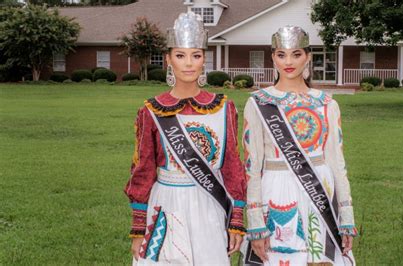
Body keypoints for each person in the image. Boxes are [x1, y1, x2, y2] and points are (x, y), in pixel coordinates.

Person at [124, 12, 246, 265]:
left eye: (196, 55)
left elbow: (232, 165)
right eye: (180, 55)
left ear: (204, 59)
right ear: (169, 60)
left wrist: (236, 219)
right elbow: (143, 169)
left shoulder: (224, 108)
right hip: (167, 204)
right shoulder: (152, 110)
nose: (189, 63)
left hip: (209, 203)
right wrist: (138, 227)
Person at [243, 26, 357, 266]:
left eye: (296, 54)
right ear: (272, 57)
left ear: (307, 56)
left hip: (320, 190)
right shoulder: (258, 103)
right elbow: (252, 167)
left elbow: (338, 163)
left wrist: (346, 215)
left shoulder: (326, 103)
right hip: (276, 191)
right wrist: (255, 221)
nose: (289, 61)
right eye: (281, 54)